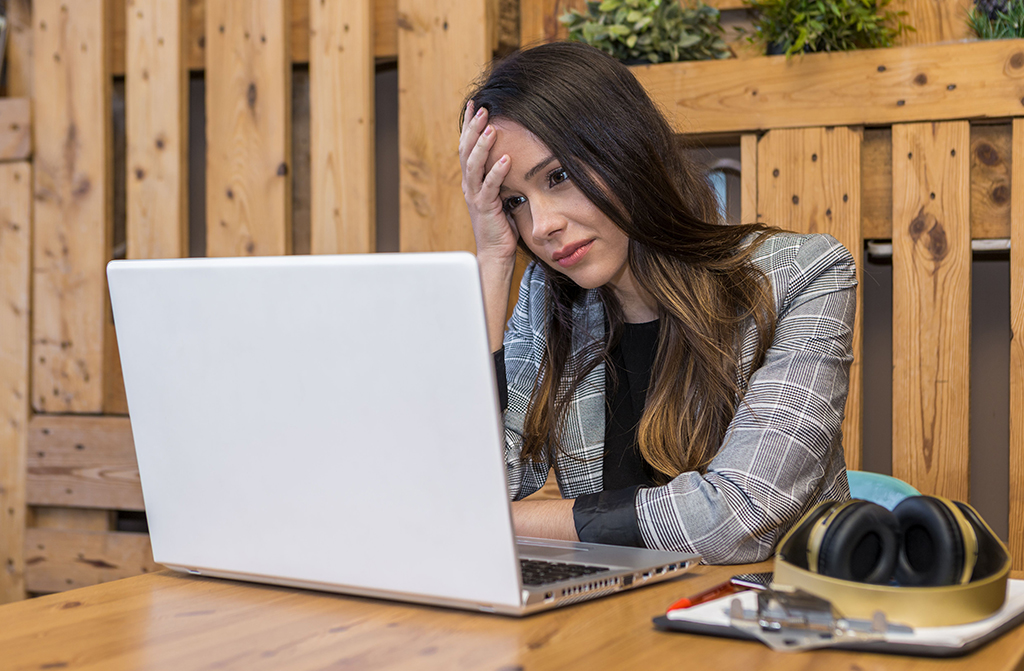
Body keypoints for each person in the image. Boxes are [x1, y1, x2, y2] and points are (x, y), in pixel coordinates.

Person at [459, 41, 854, 564]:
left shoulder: (805, 274)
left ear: (625, 150)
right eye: (515, 202)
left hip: (765, 626)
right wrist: (491, 259)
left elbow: (736, 517)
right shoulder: (553, 299)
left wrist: (502, 523)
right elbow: (482, 484)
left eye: (558, 177)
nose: (542, 225)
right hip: (618, 620)